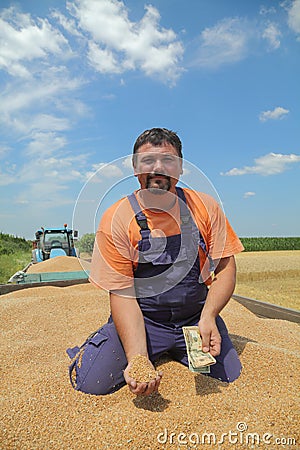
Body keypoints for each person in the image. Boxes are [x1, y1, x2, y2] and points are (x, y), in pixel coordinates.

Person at [67, 127, 244, 396]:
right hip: (145, 320)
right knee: (92, 383)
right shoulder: (117, 218)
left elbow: (225, 269)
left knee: (229, 374)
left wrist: (209, 316)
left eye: (168, 160)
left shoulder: (205, 207)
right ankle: (110, 342)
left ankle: (177, 347)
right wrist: (138, 357)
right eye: (148, 161)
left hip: (195, 318)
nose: (158, 168)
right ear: (135, 168)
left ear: (181, 168)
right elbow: (122, 293)